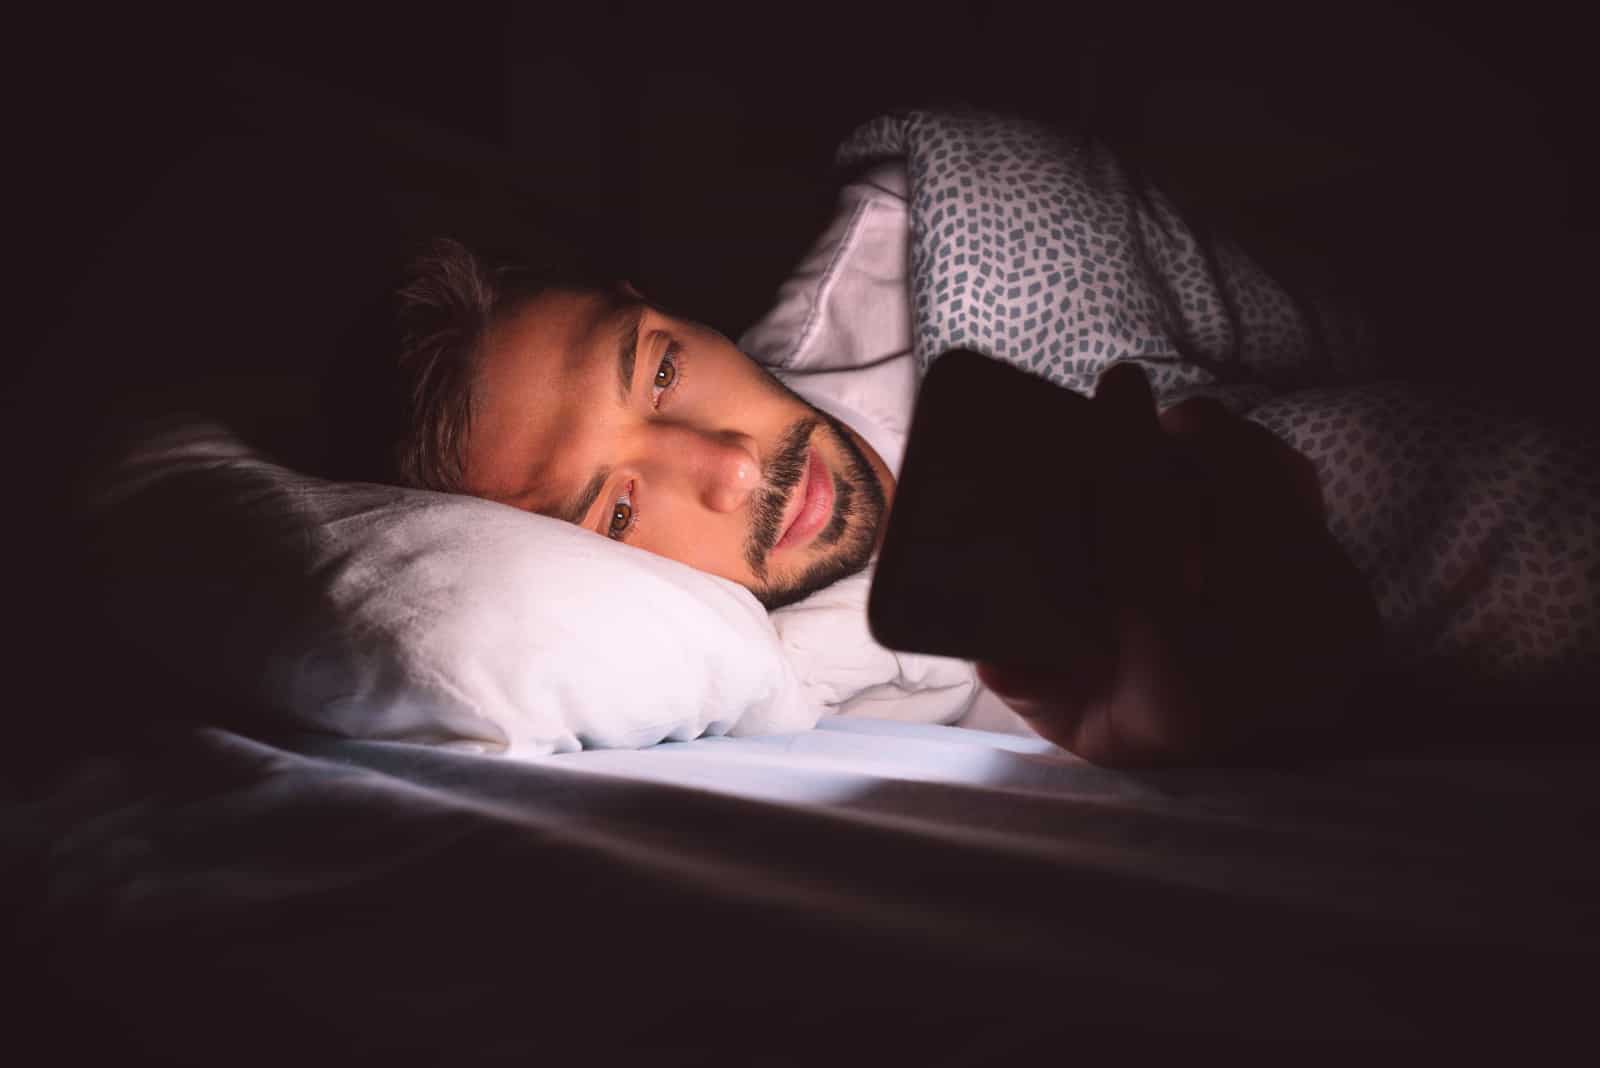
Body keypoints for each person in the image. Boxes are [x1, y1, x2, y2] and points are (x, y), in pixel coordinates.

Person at [389, 162, 1597, 768]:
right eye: (614, 505)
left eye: (655, 375)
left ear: (663, 312)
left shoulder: (969, 212)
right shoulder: (777, 709)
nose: (724, 463)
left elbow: (1365, 328)